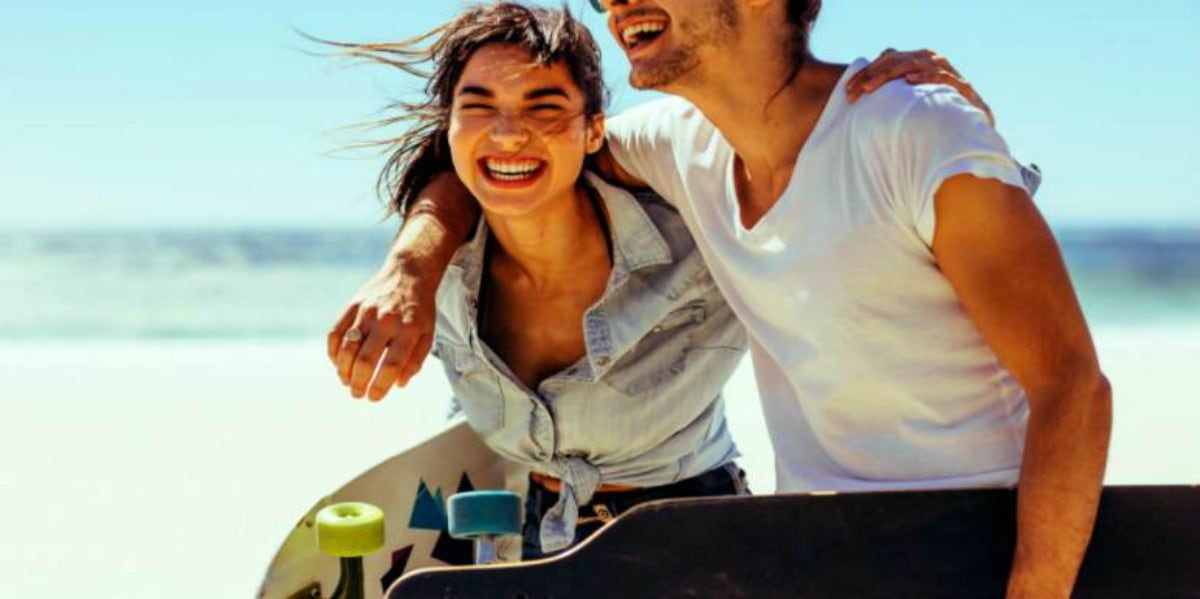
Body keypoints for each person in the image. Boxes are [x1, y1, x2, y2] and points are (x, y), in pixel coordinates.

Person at [330, 2, 1112, 596]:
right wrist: (414, 263)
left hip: (978, 544)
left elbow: (1072, 384)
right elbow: (502, 155)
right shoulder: (679, 146)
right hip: (812, 548)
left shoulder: (912, 132)